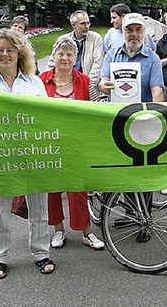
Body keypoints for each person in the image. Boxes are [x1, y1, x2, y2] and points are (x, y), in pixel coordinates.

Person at [0, 29, 53, 279]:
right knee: (0, 209)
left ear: (20, 53)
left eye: (10, 50)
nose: (5, 54)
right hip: (1, 156)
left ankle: (41, 253)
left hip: (32, 153)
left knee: (39, 207)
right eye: (0, 50)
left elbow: (47, 116)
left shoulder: (34, 83)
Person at [38, 35, 104, 251]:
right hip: (50, 143)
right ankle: (58, 230)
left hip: (77, 144)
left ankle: (86, 231)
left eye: (70, 54)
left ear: (75, 58)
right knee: (54, 189)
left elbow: (98, 107)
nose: (65, 58)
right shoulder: (40, 81)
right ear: (53, 57)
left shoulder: (84, 81)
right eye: (61, 54)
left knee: (79, 189)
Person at [99, 13, 164, 102]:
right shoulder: (111, 55)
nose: (134, 34)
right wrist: (104, 86)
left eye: (138, 30)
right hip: (115, 112)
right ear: (123, 31)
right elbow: (103, 81)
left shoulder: (153, 59)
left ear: (144, 32)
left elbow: (157, 93)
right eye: (129, 30)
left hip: (141, 114)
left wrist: (154, 114)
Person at [46, 10, 103, 88]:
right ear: (73, 25)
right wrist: (47, 81)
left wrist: (88, 85)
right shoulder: (63, 39)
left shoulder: (96, 38)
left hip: (87, 83)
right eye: (82, 23)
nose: (86, 26)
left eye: (88, 23)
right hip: (65, 83)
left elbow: (97, 63)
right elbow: (52, 61)